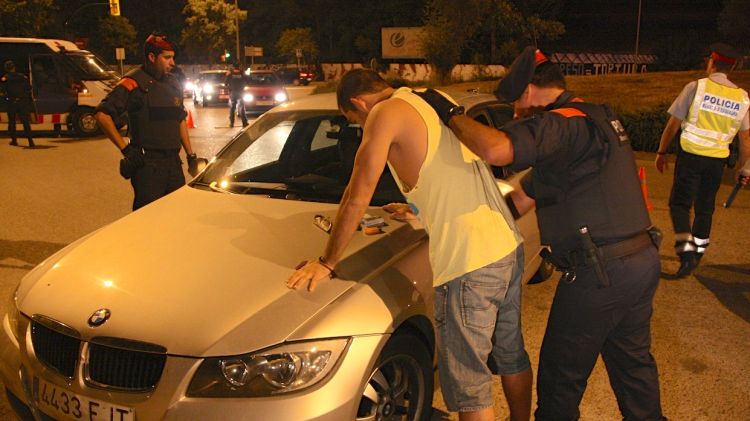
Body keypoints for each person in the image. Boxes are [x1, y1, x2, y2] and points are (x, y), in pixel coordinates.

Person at [418, 47, 666, 420]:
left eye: (516, 102)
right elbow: (521, 198)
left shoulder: (562, 123)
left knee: (559, 381)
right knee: (633, 368)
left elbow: (497, 149)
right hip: (638, 263)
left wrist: (450, 114)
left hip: (599, 272)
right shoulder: (594, 120)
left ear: (531, 90)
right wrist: (432, 214)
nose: (516, 114)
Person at [287, 69, 533, 421]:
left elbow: (357, 195)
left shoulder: (384, 113)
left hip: (470, 261)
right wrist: (419, 207)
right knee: (510, 353)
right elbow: (447, 170)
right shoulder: (427, 98)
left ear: (358, 102)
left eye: (352, 119)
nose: (358, 126)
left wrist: (327, 262)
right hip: (505, 246)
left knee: (468, 385)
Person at [655, 42, 750, 278]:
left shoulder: (696, 88)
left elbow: (674, 123)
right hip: (716, 161)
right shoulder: (742, 97)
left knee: (680, 205)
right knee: (705, 209)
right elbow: (746, 140)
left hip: (691, 157)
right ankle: (697, 253)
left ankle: (686, 254)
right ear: (733, 68)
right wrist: (744, 169)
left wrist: (661, 151)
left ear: (711, 62)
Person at [95, 33, 203, 211]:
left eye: (173, 57)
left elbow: (180, 119)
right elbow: (102, 115)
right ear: (152, 57)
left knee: (177, 217)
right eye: (167, 58)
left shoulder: (173, 83)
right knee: (148, 222)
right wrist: (126, 150)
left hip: (174, 164)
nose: (172, 63)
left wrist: (190, 155)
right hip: (148, 167)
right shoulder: (133, 82)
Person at [1, 60, 35, 148]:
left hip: (11, 102)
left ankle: (14, 140)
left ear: (6, 68)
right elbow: (29, 88)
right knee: (25, 122)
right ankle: (30, 141)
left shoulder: (5, 78)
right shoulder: (22, 77)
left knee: (12, 122)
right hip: (22, 102)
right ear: (14, 67)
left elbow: (2, 91)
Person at [225, 62, 248, 127]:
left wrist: (230, 88)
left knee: (232, 108)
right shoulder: (242, 74)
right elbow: (248, 81)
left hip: (233, 92)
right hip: (241, 92)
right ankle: (244, 123)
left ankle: (231, 123)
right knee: (241, 108)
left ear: (233, 67)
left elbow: (225, 84)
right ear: (239, 67)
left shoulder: (230, 74)